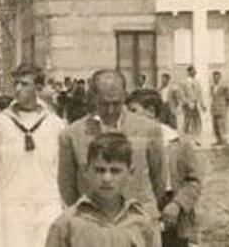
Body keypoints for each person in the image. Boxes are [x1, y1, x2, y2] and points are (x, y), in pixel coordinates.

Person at [57, 69, 165, 217]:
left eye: (116, 103)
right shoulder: (72, 135)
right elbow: (67, 187)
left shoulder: (149, 129)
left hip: (140, 222)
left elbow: (159, 180)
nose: (110, 110)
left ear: (125, 96)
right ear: (93, 98)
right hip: (93, 223)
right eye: (104, 104)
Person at [0, 64, 64, 247]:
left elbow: (60, 166)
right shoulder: (0, 124)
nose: (18, 89)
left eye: (24, 84)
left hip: (48, 202)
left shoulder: (55, 124)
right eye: (16, 83)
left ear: (39, 88)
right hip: (13, 203)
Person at [43, 132, 161, 247]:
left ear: (130, 173)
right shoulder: (67, 224)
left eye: (115, 171)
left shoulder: (142, 223)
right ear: (86, 170)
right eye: (100, 170)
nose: (106, 178)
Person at [126, 90, 204, 247]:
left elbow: (194, 180)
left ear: (151, 111)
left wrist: (177, 204)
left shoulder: (179, 142)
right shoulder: (129, 143)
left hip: (171, 210)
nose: (129, 118)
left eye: (133, 111)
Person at [174, 67, 204, 140]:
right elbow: (180, 93)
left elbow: (199, 94)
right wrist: (187, 102)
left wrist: (202, 104)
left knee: (197, 121)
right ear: (189, 72)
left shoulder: (197, 82)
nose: (194, 73)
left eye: (195, 72)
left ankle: (195, 137)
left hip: (195, 104)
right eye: (193, 72)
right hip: (187, 105)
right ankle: (185, 136)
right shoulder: (183, 82)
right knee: (187, 120)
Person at [209, 72, 229, 145]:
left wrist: (225, 106)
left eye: (217, 77)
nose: (216, 79)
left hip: (222, 108)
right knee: (215, 125)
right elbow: (212, 97)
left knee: (221, 124)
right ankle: (218, 140)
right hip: (214, 108)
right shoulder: (212, 87)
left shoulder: (224, 87)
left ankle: (223, 140)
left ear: (220, 78)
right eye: (214, 77)